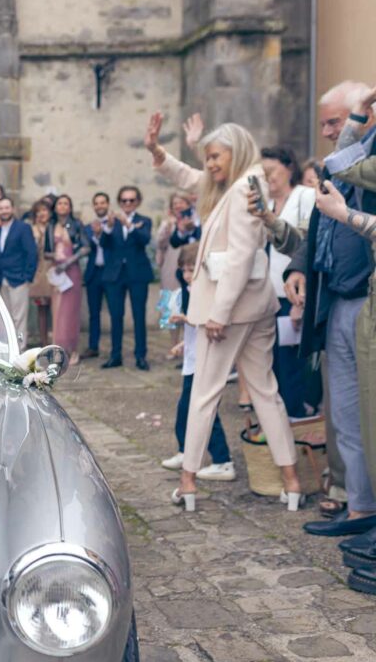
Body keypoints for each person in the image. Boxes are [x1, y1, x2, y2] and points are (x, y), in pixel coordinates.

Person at [145, 112, 301, 513]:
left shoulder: (245, 188)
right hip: (255, 309)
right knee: (266, 393)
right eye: (208, 157)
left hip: (230, 312)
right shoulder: (236, 184)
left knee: (204, 394)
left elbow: (240, 257)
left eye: (215, 156)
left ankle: (189, 483)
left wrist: (219, 313)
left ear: (236, 151)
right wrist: (158, 151)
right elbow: (189, 177)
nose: (209, 164)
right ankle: (291, 481)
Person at [288, 80, 376, 536]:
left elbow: (342, 165)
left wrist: (358, 119)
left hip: (369, 298)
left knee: (370, 415)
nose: (326, 132)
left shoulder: (361, 164)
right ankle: (359, 509)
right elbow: (319, 222)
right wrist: (299, 266)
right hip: (339, 300)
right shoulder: (341, 167)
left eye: (334, 122)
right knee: (343, 413)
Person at [248, 146, 317, 418]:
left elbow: (306, 247)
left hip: (292, 297)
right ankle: (278, 424)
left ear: (289, 168)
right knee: (270, 366)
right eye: (261, 174)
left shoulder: (305, 196)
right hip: (265, 297)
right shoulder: (262, 204)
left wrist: (302, 298)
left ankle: (297, 422)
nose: (267, 178)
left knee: (292, 368)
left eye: (271, 171)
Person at [161, 243, 235, 480]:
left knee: (205, 410)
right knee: (185, 408)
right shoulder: (187, 293)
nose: (187, 276)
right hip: (192, 360)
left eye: (191, 270)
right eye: (183, 271)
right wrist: (183, 343)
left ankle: (223, 460)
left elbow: (209, 322)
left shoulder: (208, 293)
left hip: (206, 361)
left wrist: (186, 319)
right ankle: (187, 451)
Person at [100, 185, 154, 370]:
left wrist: (129, 225)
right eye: (124, 200)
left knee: (139, 316)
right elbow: (103, 244)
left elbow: (145, 239)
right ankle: (115, 355)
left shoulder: (144, 220)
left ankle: (141, 355)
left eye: (131, 200)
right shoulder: (112, 221)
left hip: (137, 273)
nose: (128, 203)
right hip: (115, 274)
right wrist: (107, 227)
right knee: (116, 316)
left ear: (137, 202)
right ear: (119, 202)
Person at [0, 196, 38, 347]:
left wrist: (27, 277)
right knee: (7, 318)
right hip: (2, 279)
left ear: (12, 209)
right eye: (1, 208)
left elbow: (31, 253)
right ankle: (11, 347)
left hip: (19, 279)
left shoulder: (23, 228)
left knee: (19, 318)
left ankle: (20, 347)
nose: (4, 211)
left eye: (7, 207)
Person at [157, 193, 194, 354]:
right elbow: (159, 242)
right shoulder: (168, 223)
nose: (178, 205)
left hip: (189, 266)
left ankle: (189, 344)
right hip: (171, 267)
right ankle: (173, 344)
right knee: (171, 305)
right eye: (175, 203)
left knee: (188, 306)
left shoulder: (194, 221)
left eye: (182, 202)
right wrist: (168, 227)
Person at [51, 196, 85, 361]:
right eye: (60, 203)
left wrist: (68, 262)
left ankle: (73, 350)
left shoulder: (77, 225)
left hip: (71, 271)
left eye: (66, 203)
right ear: (55, 207)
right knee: (57, 312)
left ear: (70, 207)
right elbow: (45, 250)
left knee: (71, 311)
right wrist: (54, 255)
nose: (63, 206)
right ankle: (58, 350)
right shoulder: (51, 226)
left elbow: (86, 248)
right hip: (56, 271)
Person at [82, 193, 110, 358]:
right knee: (94, 312)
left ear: (107, 204)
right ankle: (93, 346)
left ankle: (116, 349)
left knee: (115, 312)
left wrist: (102, 233)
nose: (99, 206)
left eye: (102, 203)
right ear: (94, 206)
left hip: (111, 273)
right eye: (96, 203)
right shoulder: (87, 228)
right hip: (94, 273)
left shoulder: (114, 225)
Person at [28, 201, 55, 348]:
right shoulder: (32, 230)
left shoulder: (55, 228)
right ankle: (44, 342)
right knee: (42, 309)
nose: (41, 214)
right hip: (40, 273)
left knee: (57, 309)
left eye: (44, 210)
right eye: (38, 211)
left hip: (55, 271)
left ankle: (57, 340)